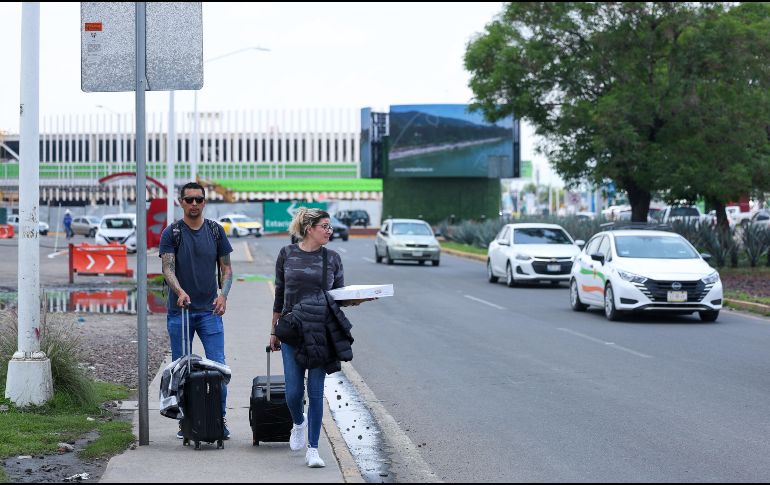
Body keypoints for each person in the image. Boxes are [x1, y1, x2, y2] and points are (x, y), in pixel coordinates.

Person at [270, 207, 362, 468]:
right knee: (293, 392)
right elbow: (279, 295)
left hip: (320, 330)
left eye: (330, 227)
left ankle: (313, 449)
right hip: (291, 330)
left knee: (316, 390)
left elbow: (339, 297)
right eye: (325, 226)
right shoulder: (286, 254)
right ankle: (298, 422)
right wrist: (273, 330)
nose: (329, 231)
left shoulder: (332, 258)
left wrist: (359, 299)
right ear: (309, 228)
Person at [159, 182, 233, 440]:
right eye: (189, 200)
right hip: (181, 313)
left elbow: (226, 269)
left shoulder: (215, 231)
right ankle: (187, 422)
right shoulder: (172, 233)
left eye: (198, 200)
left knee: (219, 368)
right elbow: (168, 268)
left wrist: (223, 295)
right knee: (182, 371)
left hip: (210, 312)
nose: (193, 204)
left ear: (204, 202)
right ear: (181, 202)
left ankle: (218, 420)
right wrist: (179, 291)